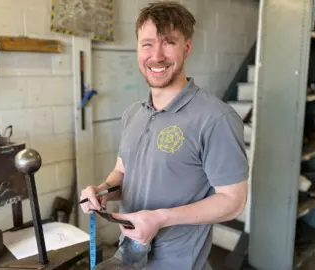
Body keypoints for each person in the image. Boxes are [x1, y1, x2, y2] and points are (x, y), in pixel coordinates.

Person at [79, 1, 249, 269]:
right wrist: (102, 191)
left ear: (187, 47)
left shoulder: (216, 118)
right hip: (131, 259)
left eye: (168, 42)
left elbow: (233, 202)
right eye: (147, 44)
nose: (156, 56)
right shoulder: (134, 114)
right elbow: (122, 175)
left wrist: (160, 218)